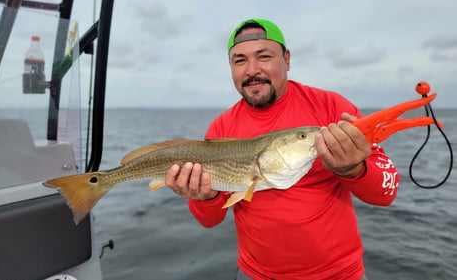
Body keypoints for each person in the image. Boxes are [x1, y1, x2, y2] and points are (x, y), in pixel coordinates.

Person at [165, 18, 399, 280]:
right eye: (239, 61)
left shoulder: (332, 108)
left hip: (340, 275)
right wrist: (203, 197)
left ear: (286, 60)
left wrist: (354, 169)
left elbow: (385, 193)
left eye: (263, 56)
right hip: (255, 274)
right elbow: (209, 220)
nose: (252, 70)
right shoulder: (221, 129)